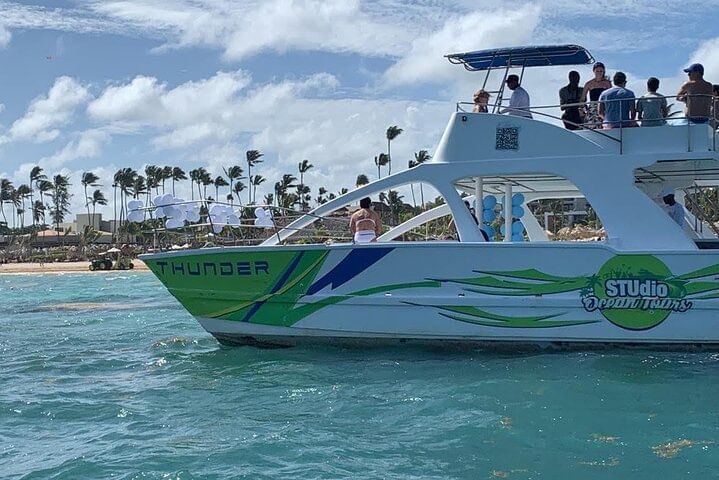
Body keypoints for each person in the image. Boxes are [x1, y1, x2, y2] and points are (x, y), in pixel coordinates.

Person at [581, 62, 612, 129]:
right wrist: (584, 109)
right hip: (593, 108)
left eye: (601, 71)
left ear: (603, 71)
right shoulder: (589, 84)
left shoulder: (607, 83)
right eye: (597, 71)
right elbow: (583, 98)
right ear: (594, 71)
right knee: (590, 126)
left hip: (604, 107)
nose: (599, 73)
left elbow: (610, 97)